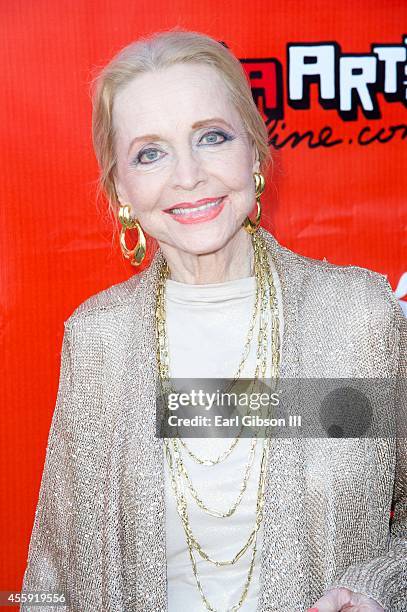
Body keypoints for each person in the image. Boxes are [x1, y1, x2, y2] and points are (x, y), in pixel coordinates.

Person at [20, 28, 406, 612]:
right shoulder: (98, 338)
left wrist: (380, 594)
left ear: (253, 151)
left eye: (212, 137)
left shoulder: (357, 320)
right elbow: (53, 568)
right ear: (120, 187)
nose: (188, 175)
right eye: (150, 153)